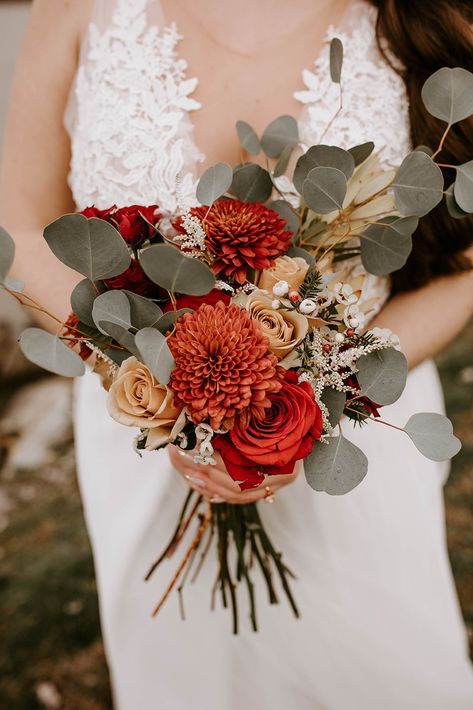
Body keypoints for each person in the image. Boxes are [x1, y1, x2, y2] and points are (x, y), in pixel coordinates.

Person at [1, 0, 473, 707]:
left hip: (356, 438)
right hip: (145, 445)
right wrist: (156, 382)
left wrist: (305, 399)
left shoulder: (429, 12)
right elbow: (20, 223)